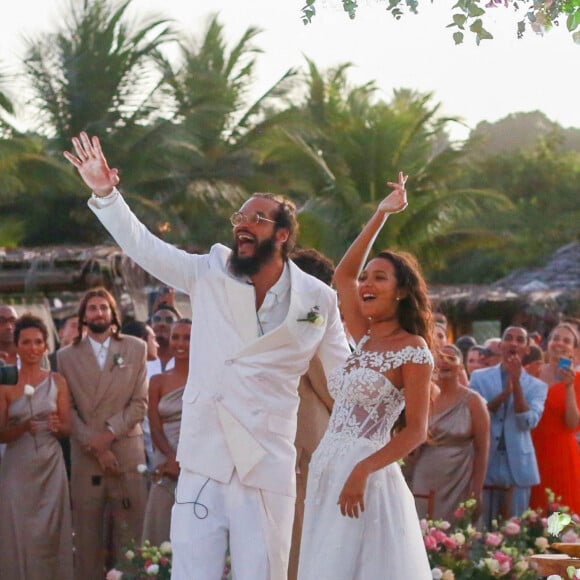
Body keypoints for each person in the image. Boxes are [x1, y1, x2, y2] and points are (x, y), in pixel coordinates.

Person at [64, 131, 350, 580]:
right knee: (193, 574)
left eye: (257, 218)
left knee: (265, 573)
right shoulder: (210, 271)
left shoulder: (318, 299)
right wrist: (106, 193)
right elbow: (144, 246)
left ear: (283, 234)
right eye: (240, 216)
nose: (243, 224)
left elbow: (345, 380)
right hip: (204, 458)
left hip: (268, 461)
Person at [298, 174, 433, 579]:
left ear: (401, 291)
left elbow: (416, 432)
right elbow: (342, 276)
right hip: (327, 466)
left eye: (380, 278)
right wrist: (380, 214)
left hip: (368, 475)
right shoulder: (365, 337)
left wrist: (363, 470)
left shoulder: (413, 349)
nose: (367, 284)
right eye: (368, 277)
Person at [57, 287, 149, 580]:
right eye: (92, 308)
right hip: (87, 457)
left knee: (131, 533)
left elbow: (140, 404)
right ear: (83, 316)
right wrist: (95, 444)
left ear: (113, 314)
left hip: (125, 452)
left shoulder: (136, 348)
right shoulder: (65, 357)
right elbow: (67, 409)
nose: (98, 312)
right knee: (86, 536)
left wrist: (108, 435)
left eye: (103, 307)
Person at [0, 314, 73, 579]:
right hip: (17, 467)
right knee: (17, 529)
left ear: (45, 346)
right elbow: (1, 434)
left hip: (51, 466)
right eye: (26, 342)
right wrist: (22, 426)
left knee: (51, 533)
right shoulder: (6, 383)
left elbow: (68, 428)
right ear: (17, 345)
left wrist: (57, 427)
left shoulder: (57, 381)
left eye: (38, 342)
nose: (32, 348)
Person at [287, 248, 335, 580]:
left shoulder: (307, 316)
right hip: (304, 436)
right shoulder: (308, 319)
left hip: (306, 436)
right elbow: (331, 385)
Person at [470, 326, 548, 527]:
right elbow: (474, 416)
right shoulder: (479, 378)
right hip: (486, 462)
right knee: (481, 531)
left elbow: (527, 421)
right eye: (509, 338)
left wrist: (516, 383)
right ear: (501, 345)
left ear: (527, 349)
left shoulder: (538, 386)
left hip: (518, 467)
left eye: (520, 340)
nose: (514, 343)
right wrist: (505, 394)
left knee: (513, 535)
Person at [410, 344, 490, 523]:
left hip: (459, 478)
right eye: (439, 357)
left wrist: (476, 490)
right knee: (422, 528)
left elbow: (482, 449)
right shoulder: (422, 398)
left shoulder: (474, 401)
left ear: (461, 367)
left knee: (456, 532)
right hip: (425, 475)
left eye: (451, 358)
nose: (444, 361)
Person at [142, 318, 191, 545]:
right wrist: (172, 459)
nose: (180, 343)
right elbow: (154, 426)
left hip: (198, 461)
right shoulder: (157, 381)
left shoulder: (209, 379)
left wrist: (186, 461)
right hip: (166, 459)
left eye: (187, 337)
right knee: (160, 525)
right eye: (176, 337)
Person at [530, 323, 580, 514]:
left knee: (560, 520)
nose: (559, 343)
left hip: (562, 454)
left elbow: (572, 423)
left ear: (574, 350)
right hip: (533, 450)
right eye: (555, 338)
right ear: (547, 344)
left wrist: (568, 387)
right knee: (534, 513)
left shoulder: (578, 380)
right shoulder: (533, 372)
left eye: (566, 340)